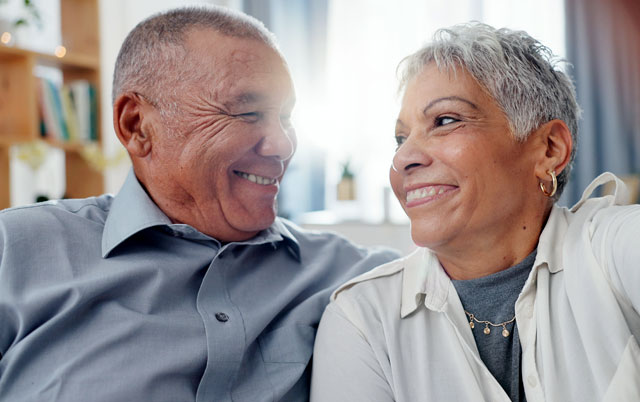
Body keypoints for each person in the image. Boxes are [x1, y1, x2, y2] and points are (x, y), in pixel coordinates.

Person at [0, 7, 399, 401]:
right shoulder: (15, 251)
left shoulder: (354, 276)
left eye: (285, 117)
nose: (283, 145)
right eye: (248, 113)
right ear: (136, 125)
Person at [311, 23, 640, 402]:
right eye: (401, 139)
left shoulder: (609, 249)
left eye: (446, 121)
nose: (403, 158)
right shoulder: (362, 319)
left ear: (548, 149)